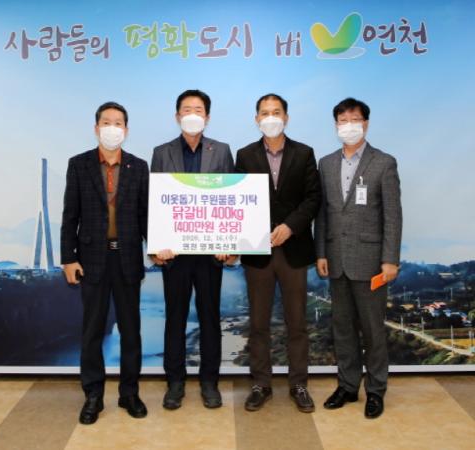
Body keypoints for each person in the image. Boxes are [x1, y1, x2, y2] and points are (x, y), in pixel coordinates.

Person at [61, 102, 149, 424]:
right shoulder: (79, 164)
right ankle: (93, 395)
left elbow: (145, 215)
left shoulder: (139, 167)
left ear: (126, 129)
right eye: (106, 122)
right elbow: (70, 215)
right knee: (92, 330)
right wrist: (68, 258)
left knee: (131, 331)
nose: (113, 128)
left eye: (118, 122)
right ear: (96, 128)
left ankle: (129, 393)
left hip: (127, 258)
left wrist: (158, 246)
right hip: (91, 260)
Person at [315, 97, 402, 419]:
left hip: (371, 261)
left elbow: (392, 216)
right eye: (342, 120)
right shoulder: (326, 163)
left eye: (354, 120)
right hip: (336, 259)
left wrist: (390, 259)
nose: (348, 125)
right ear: (336, 125)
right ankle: (348, 386)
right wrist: (320, 252)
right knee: (343, 329)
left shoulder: (384, 163)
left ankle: (376, 390)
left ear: (365, 123)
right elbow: (322, 213)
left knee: (373, 330)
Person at [235, 93, 321, 413]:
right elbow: (237, 201)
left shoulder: (304, 153)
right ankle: (261, 384)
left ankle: (299, 384)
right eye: (264, 113)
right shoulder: (244, 155)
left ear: (286, 117)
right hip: (257, 252)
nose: (270, 118)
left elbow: (313, 198)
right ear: (256, 119)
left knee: (296, 323)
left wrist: (290, 226)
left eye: (276, 112)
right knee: (258, 324)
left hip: (293, 250)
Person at [150, 89, 234, 410]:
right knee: (175, 318)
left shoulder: (222, 151)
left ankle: (209, 382)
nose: (192, 115)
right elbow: (155, 203)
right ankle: (175, 383)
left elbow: (230, 202)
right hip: (174, 255)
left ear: (207, 117)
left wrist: (229, 245)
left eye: (198, 110)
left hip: (211, 254)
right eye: (186, 109)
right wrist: (156, 246)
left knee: (210, 317)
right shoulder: (162, 153)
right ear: (177, 116)